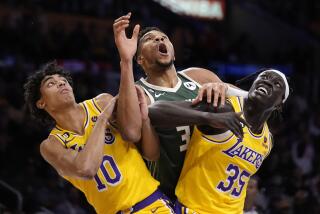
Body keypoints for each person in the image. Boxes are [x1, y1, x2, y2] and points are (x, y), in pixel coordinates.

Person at [114, 12, 248, 200]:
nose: (159, 38)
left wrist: (223, 88)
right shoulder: (138, 93)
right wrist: (125, 60)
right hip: (170, 197)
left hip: (211, 190)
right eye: (150, 39)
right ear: (140, 59)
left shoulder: (199, 77)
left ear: (174, 53)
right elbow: (130, 132)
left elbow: (250, 103)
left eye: (163, 37)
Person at [23, 61, 174, 214]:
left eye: (63, 81)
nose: (61, 84)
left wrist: (145, 120)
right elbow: (86, 169)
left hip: (150, 206)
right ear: (41, 103)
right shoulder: (52, 145)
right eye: (51, 84)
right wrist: (102, 120)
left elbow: (151, 154)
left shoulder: (101, 103)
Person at [148, 69, 290, 213]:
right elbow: (153, 111)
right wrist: (208, 117)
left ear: (279, 104)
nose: (267, 81)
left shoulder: (267, 140)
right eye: (264, 77)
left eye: (277, 83)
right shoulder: (223, 109)